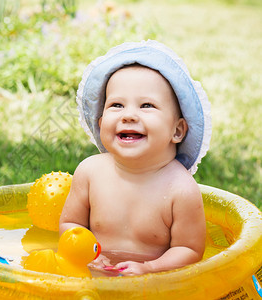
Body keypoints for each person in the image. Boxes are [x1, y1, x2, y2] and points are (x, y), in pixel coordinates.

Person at [59, 40, 212, 276]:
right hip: (92, 276)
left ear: (177, 131)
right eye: (117, 105)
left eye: (147, 105)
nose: (129, 115)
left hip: (151, 286)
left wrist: (150, 268)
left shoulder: (180, 189)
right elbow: (71, 225)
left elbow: (189, 249)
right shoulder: (90, 172)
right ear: (100, 125)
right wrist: (88, 254)